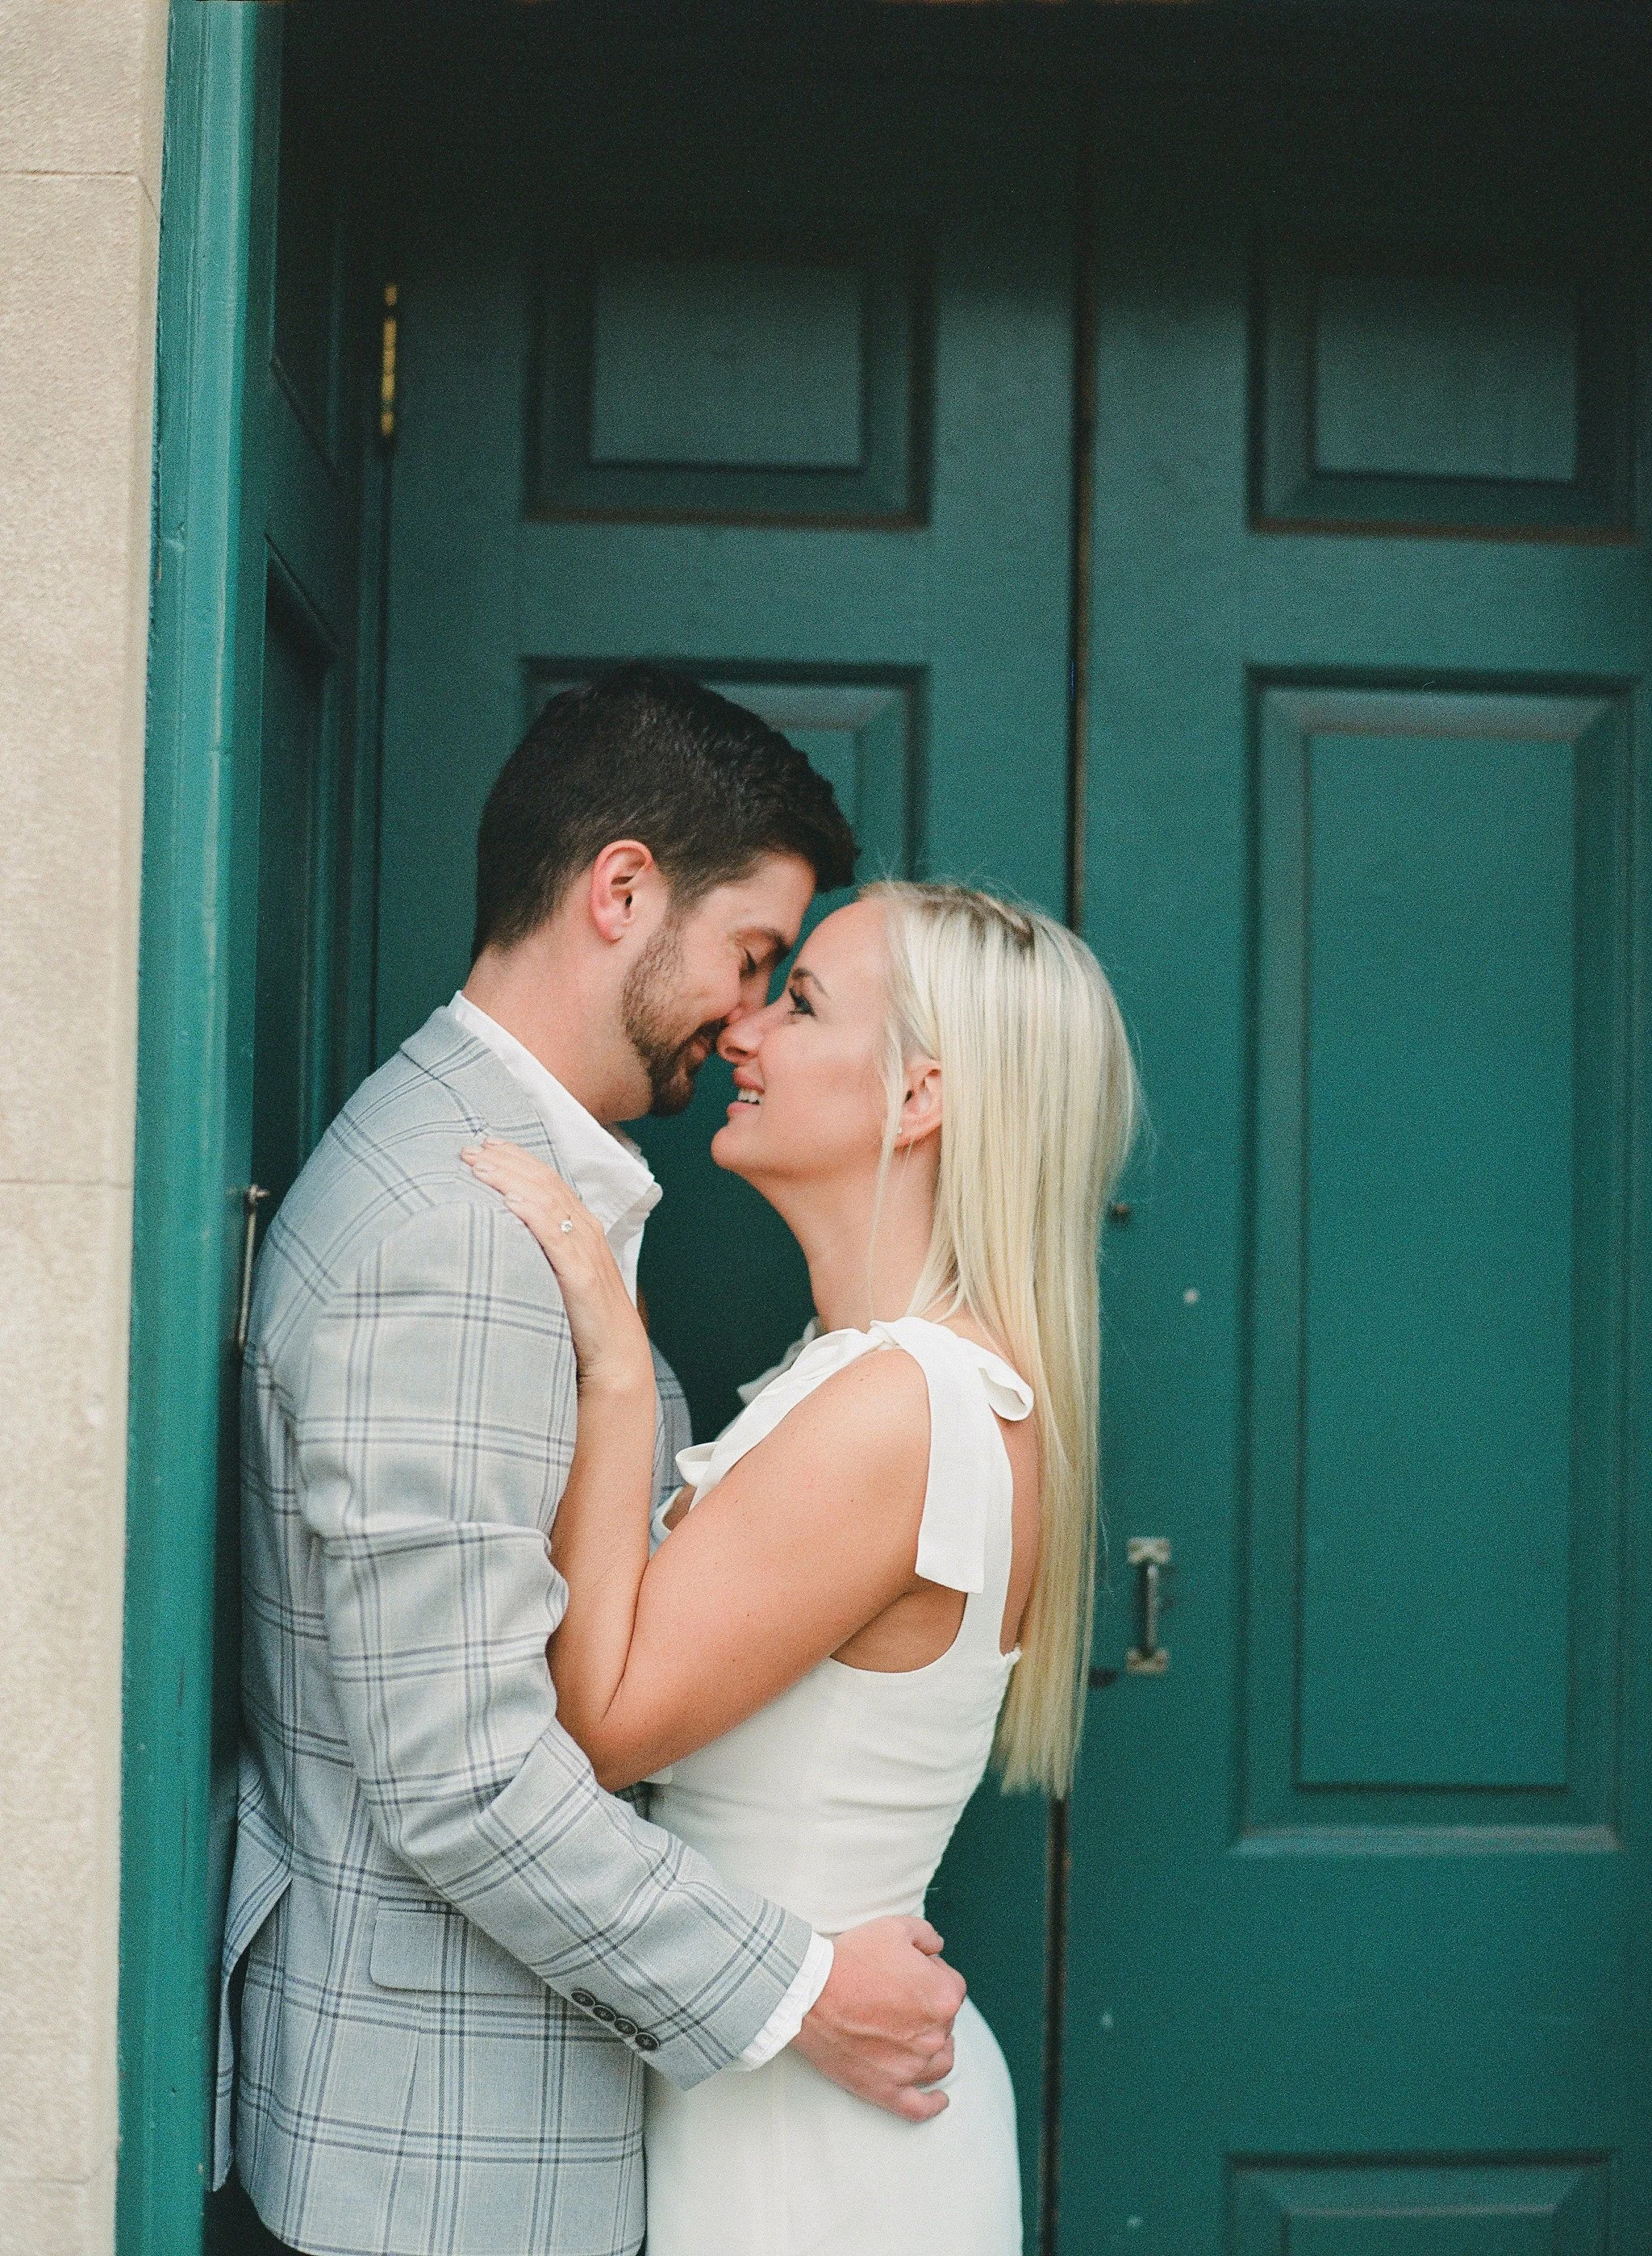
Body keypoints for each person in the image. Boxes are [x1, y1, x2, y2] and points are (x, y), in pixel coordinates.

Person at [216, 669, 970, 2256]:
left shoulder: (489, 1175)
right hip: (447, 2168)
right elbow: (469, 1778)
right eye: (751, 957)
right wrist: (804, 1991)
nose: (749, 1019)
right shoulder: (457, 1230)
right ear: (622, 890)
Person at [463, 878, 1137, 2255]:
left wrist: (613, 1364)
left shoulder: (903, 1405)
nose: (744, 1032)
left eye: (805, 1001)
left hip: (807, 2150)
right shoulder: (900, 1383)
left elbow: (601, 1721)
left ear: (918, 1098)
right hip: (789, 2090)